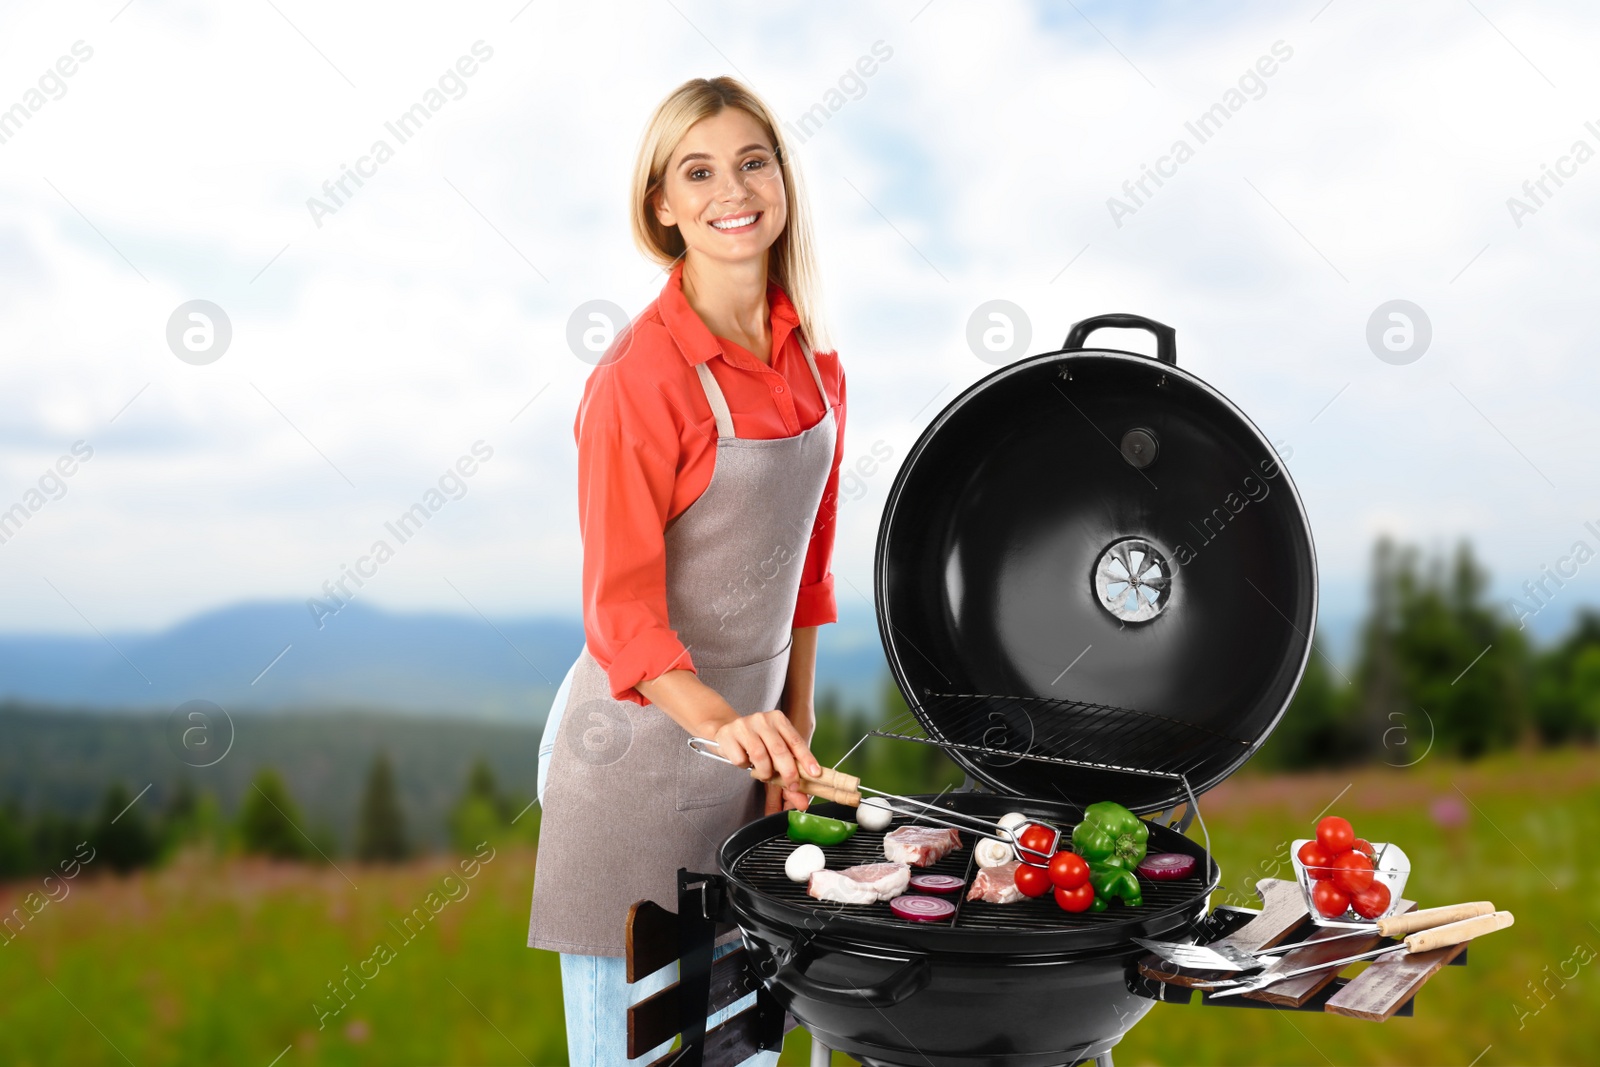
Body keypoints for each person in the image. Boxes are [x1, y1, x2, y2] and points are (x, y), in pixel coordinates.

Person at [527, 75, 847, 1066]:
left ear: (782, 180)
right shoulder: (639, 378)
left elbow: (806, 577)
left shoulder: (816, 363)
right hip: (632, 760)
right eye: (696, 171)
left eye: (752, 161)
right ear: (661, 204)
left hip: (745, 768)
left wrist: (788, 735)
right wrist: (726, 727)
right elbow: (620, 616)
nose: (730, 189)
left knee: (745, 1049)